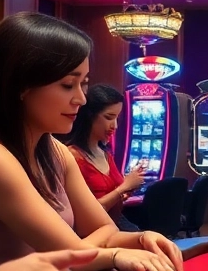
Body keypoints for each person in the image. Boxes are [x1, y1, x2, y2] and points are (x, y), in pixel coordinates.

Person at [0, 13, 184, 271]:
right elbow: (71, 256)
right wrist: (104, 253)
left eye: (84, 83)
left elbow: (104, 230)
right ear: (21, 86)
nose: (81, 99)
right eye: (68, 85)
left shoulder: (55, 150)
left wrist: (141, 239)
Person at [63, 84, 146, 231]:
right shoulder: (72, 156)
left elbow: (115, 197)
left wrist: (129, 187)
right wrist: (124, 187)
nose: (115, 126)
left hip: (115, 223)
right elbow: (87, 214)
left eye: (117, 118)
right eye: (109, 117)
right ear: (90, 117)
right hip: (94, 232)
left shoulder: (106, 154)